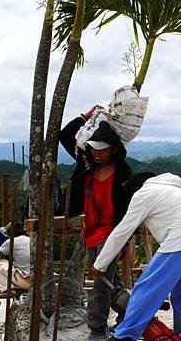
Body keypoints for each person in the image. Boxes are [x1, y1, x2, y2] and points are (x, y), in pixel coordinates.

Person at [90, 172, 181, 341]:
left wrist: (99, 264)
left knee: (145, 289)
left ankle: (125, 335)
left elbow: (121, 232)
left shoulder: (143, 193)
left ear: (135, 189)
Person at [59, 106, 133, 341]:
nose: (97, 153)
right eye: (93, 148)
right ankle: (131, 312)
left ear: (114, 150)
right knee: (110, 280)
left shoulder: (123, 173)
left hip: (110, 233)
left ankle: (97, 329)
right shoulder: (87, 165)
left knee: (100, 282)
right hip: (90, 230)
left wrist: (123, 242)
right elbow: (65, 135)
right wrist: (85, 116)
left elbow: (128, 210)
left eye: (102, 150)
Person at [0, 228, 31, 292]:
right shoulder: (31, 240)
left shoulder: (11, 241)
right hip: (41, 282)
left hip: (26, 282)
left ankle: (8, 289)